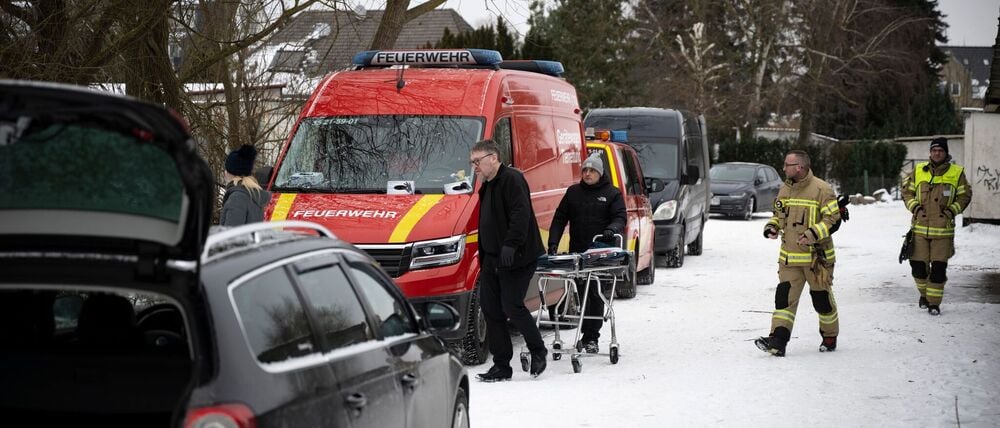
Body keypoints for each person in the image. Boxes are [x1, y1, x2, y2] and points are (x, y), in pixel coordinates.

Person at [470, 140, 548, 381]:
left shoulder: (512, 179)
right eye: (472, 162)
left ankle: (538, 350)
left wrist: (511, 245)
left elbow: (520, 214)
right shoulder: (487, 185)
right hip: (492, 258)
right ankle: (501, 364)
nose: (475, 167)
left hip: (518, 257)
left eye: (477, 161)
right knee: (491, 309)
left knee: (512, 305)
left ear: (493, 158)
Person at [755, 150, 841, 357]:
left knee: (821, 300)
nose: (784, 169)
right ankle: (778, 341)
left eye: (787, 165)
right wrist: (771, 227)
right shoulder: (786, 189)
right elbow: (777, 215)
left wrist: (813, 233)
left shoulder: (822, 189)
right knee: (784, 300)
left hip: (816, 260)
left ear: (800, 167)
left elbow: (833, 220)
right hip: (789, 258)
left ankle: (829, 336)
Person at [547, 153, 626, 353]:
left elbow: (620, 217)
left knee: (595, 293)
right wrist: (553, 242)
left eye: (592, 170)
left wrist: (612, 229)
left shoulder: (612, 193)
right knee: (582, 293)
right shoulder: (573, 193)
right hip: (578, 253)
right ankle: (585, 332)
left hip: (600, 253)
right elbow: (559, 218)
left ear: (600, 173)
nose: (588, 174)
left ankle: (592, 337)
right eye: (585, 170)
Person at [901, 137, 972, 316]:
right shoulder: (918, 171)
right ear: (930, 152)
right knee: (917, 267)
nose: (937, 153)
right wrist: (915, 208)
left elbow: (965, 196)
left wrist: (950, 212)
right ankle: (924, 295)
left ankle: (934, 304)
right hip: (919, 229)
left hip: (943, 231)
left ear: (946, 153)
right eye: (934, 150)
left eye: (940, 150)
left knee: (938, 270)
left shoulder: (957, 173)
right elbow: (906, 192)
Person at [220, 144, 271, 226]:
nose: (224, 172)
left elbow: (231, 236)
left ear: (231, 172)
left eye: (226, 169)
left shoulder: (237, 198)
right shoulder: (253, 194)